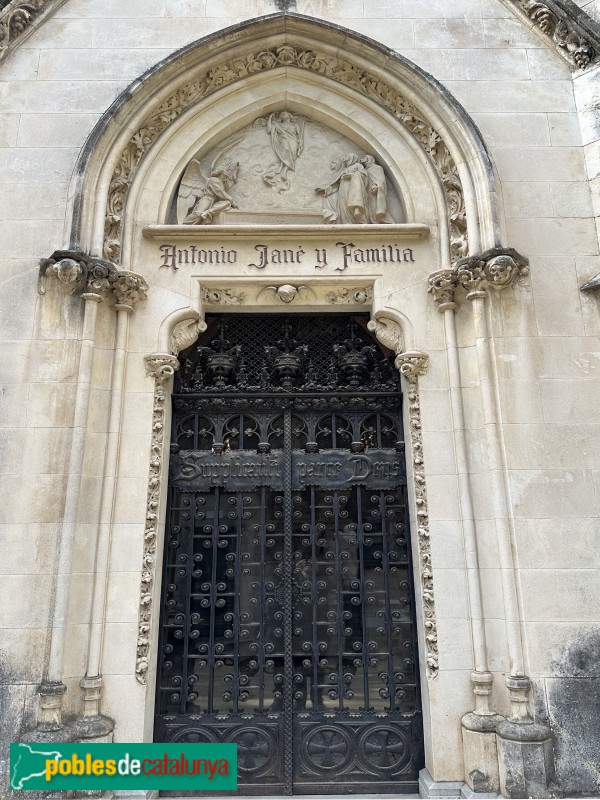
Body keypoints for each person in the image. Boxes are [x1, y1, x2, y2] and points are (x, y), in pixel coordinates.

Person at [316, 153, 370, 224]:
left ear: (352, 157)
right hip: (342, 188)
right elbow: (336, 184)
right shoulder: (345, 169)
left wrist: (352, 175)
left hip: (352, 188)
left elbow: (364, 176)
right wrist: (325, 190)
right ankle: (346, 224)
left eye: (347, 156)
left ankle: (354, 224)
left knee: (350, 205)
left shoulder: (358, 165)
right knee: (343, 207)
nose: (345, 157)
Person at [263, 111, 304, 192]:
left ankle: (284, 169)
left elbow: (299, 135)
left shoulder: (295, 125)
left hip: (293, 140)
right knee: (286, 150)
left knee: (293, 155)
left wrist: (301, 143)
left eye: (285, 113)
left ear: (289, 115)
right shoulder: (278, 125)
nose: (283, 114)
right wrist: (270, 119)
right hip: (284, 140)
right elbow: (269, 130)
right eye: (281, 114)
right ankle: (284, 169)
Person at [360, 154, 393, 223]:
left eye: (364, 158)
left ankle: (387, 222)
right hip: (367, 192)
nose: (362, 159)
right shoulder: (365, 170)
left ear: (368, 159)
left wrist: (377, 185)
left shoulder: (377, 168)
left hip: (374, 191)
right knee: (370, 210)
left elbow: (381, 180)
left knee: (375, 208)